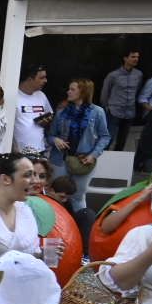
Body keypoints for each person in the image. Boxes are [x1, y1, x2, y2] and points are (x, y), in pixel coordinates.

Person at [46, 78, 110, 213]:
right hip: (60, 159)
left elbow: (105, 136)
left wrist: (94, 155)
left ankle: (81, 226)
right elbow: (50, 135)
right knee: (56, 194)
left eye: (72, 89)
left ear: (83, 92)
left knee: (77, 196)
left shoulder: (97, 112)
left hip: (83, 160)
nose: (68, 92)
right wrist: (55, 140)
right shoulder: (61, 112)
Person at [101, 48, 143, 151]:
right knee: (108, 139)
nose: (136, 59)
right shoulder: (113, 75)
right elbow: (105, 93)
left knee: (122, 141)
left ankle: (117, 164)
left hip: (129, 112)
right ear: (125, 58)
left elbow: (137, 90)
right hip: (114, 112)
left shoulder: (139, 74)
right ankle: (102, 161)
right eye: (133, 57)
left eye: (137, 57)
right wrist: (106, 108)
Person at [11, 64, 52, 157]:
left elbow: (50, 116)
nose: (45, 81)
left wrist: (45, 120)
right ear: (30, 79)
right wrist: (13, 147)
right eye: (42, 78)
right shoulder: (13, 96)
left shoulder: (41, 95)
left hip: (40, 151)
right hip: (20, 153)